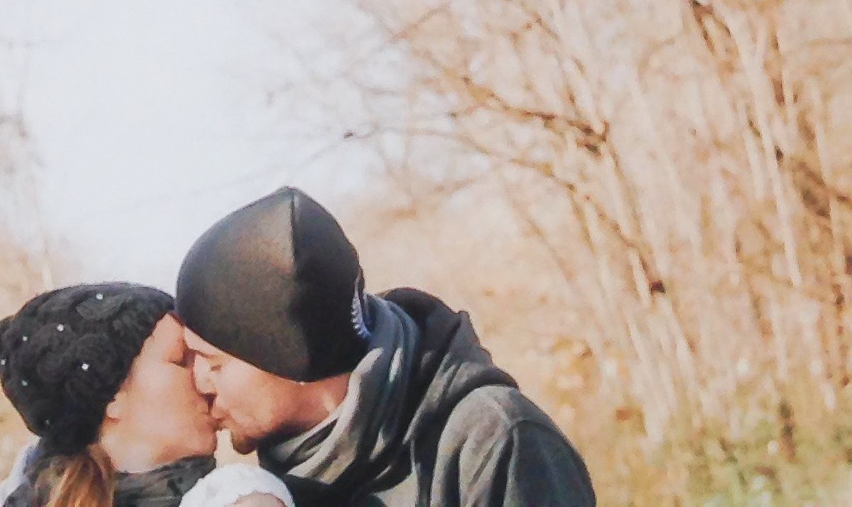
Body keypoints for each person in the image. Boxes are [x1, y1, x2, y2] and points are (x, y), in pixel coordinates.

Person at [172, 189, 593, 507]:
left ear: (290, 359)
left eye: (213, 362)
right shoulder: (258, 494)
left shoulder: (495, 445)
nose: (199, 381)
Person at [0, 282, 296, 507]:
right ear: (112, 397)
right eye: (181, 360)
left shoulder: (238, 498)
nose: (204, 380)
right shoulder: (26, 497)